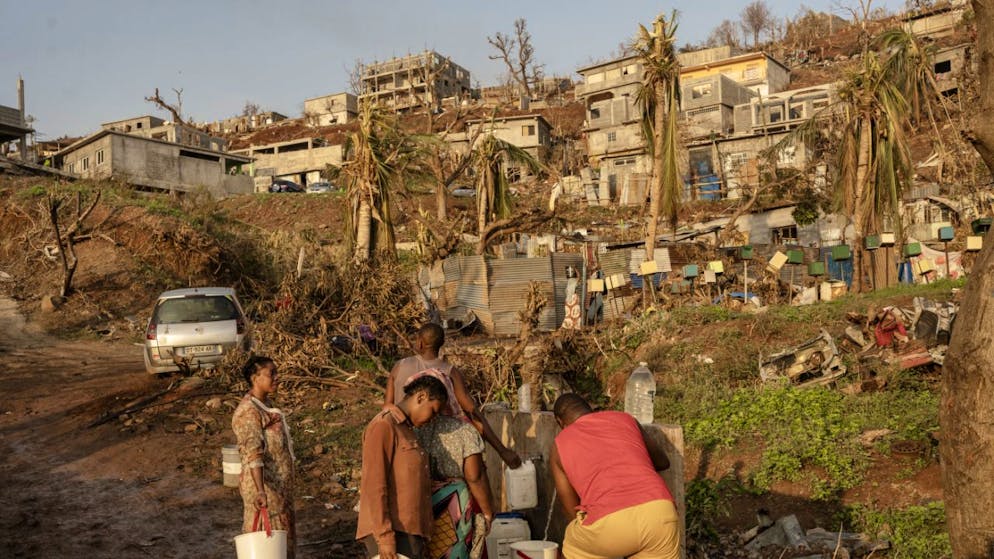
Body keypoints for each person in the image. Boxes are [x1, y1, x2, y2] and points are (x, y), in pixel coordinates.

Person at [549, 394, 679, 559]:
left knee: (572, 543)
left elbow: (569, 509)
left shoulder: (559, 445)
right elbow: (662, 461)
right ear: (590, 408)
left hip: (610, 524)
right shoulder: (624, 419)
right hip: (660, 513)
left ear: (560, 422)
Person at [385, 323, 522, 469]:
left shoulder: (399, 366)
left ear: (419, 342)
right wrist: (502, 450)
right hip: (438, 450)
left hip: (402, 442)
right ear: (442, 343)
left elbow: (388, 408)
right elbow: (472, 412)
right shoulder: (449, 372)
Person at [358, 374, 450, 559]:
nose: (433, 419)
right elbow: (374, 485)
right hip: (392, 531)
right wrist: (385, 538)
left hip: (408, 530)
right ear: (421, 397)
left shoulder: (407, 430)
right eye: (433, 411)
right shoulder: (384, 426)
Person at [413, 371, 495, 559]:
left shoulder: (411, 428)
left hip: (419, 501)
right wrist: (488, 511)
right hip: (454, 504)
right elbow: (474, 476)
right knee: (454, 551)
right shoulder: (463, 430)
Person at [232, 356, 297, 559]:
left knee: (281, 544)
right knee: (267, 546)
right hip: (265, 492)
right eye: (271, 374)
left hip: (278, 490)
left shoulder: (264, 405)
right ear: (255, 378)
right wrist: (261, 491)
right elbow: (253, 454)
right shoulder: (248, 412)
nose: (277, 377)